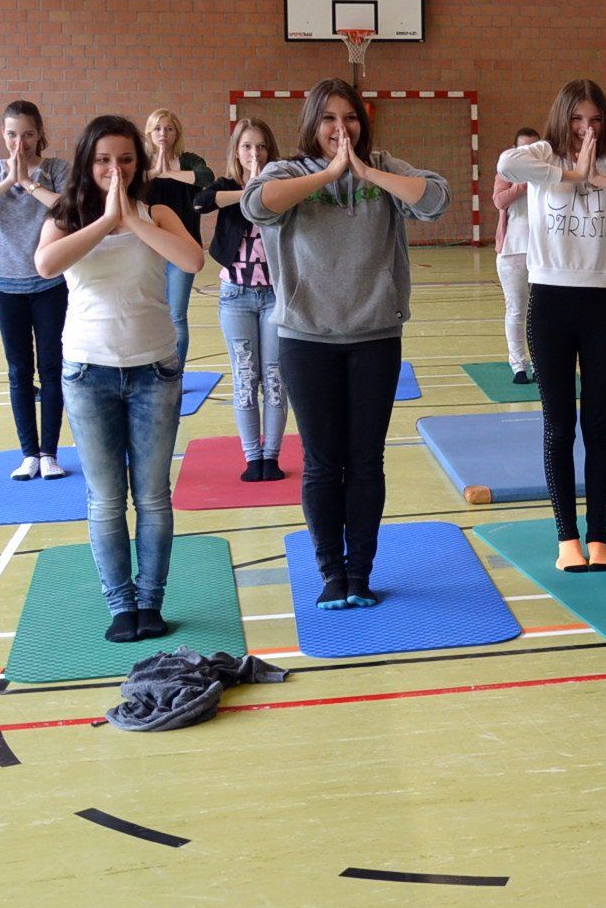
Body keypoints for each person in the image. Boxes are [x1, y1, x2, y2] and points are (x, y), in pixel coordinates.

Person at [244, 79, 448, 610]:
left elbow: (436, 199)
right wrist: (329, 175)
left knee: (365, 462)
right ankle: (331, 573)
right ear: (312, 123)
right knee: (320, 462)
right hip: (306, 338)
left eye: (351, 118)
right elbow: (256, 205)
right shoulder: (285, 171)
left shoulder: (384, 166)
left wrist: (366, 173)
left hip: (375, 336)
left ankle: (360, 573)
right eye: (330, 119)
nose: (342, 128)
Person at [34, 115, 204, 643]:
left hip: (154, 369)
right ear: (88, 162)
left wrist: (131, 220)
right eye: (104, 160)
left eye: (126, 159)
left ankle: (151, 600)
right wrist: (106, 221)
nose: (116, 169)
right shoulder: (65, 216)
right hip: (89, 371)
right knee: (106, 499)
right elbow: (46, 265)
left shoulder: (157, 211)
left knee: (152, 496)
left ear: (139, 162)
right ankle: (120, 603)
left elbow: (192, 260)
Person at [498, 83, 606, 573]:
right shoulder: (542, 154)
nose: (586, 128)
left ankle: (599, 537)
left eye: (594, 119)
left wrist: (603, 179)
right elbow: (507, 164)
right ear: (562, 118)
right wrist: (571, 174)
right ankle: (566, 537)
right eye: (577, 119)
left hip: (603, 306)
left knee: (598, 425)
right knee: (558, 426)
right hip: (550, 302)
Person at [0, 101, 70, 481]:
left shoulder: (56, 170)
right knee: (19, 371)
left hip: (49, 284)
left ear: (39, 135)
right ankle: (28, 454)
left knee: (51, 368)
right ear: (2, 135)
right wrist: (9, 180)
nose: (20, 143)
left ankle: (49, 452)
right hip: (6, 286)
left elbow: (70, 210)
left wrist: (29, 183)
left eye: (27, 135)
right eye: (12, 135)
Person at [197, 118, 288, 483]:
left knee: (275, 378)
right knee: (245, 376)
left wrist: (264, 190)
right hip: (236, 296)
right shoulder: (226, 186)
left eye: (261, 146)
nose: (255, 153)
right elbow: (201, 203)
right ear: (236, 151)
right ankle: (252, 455)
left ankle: (272, 455)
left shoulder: (281, 187)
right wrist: (247, 191)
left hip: (275, 296)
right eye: (247, 146)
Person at [143, 109, 214, 369]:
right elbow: (130, 184)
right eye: (158, 128)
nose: (163, 133)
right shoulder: (141, 162)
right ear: (149, 133)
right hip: (149, 250)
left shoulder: (189, 160)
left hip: (183, 249)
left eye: (169, 128)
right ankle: (152, 370)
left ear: (177, 134)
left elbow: (206, 177)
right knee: (150, 314)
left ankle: (175, 375)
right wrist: (155, 171)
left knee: (176, 315)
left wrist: (169, 173)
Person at [491, 126, 539, 385]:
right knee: (516, 309)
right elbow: (499, 200)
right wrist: (523, 184)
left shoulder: (548, 173)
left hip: (543, 253)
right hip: (512, 251)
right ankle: (518, 365)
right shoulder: (505, 172)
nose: (528, 153)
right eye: (523, 148)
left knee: (540, 312)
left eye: (533, 148)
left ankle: (541, 363)